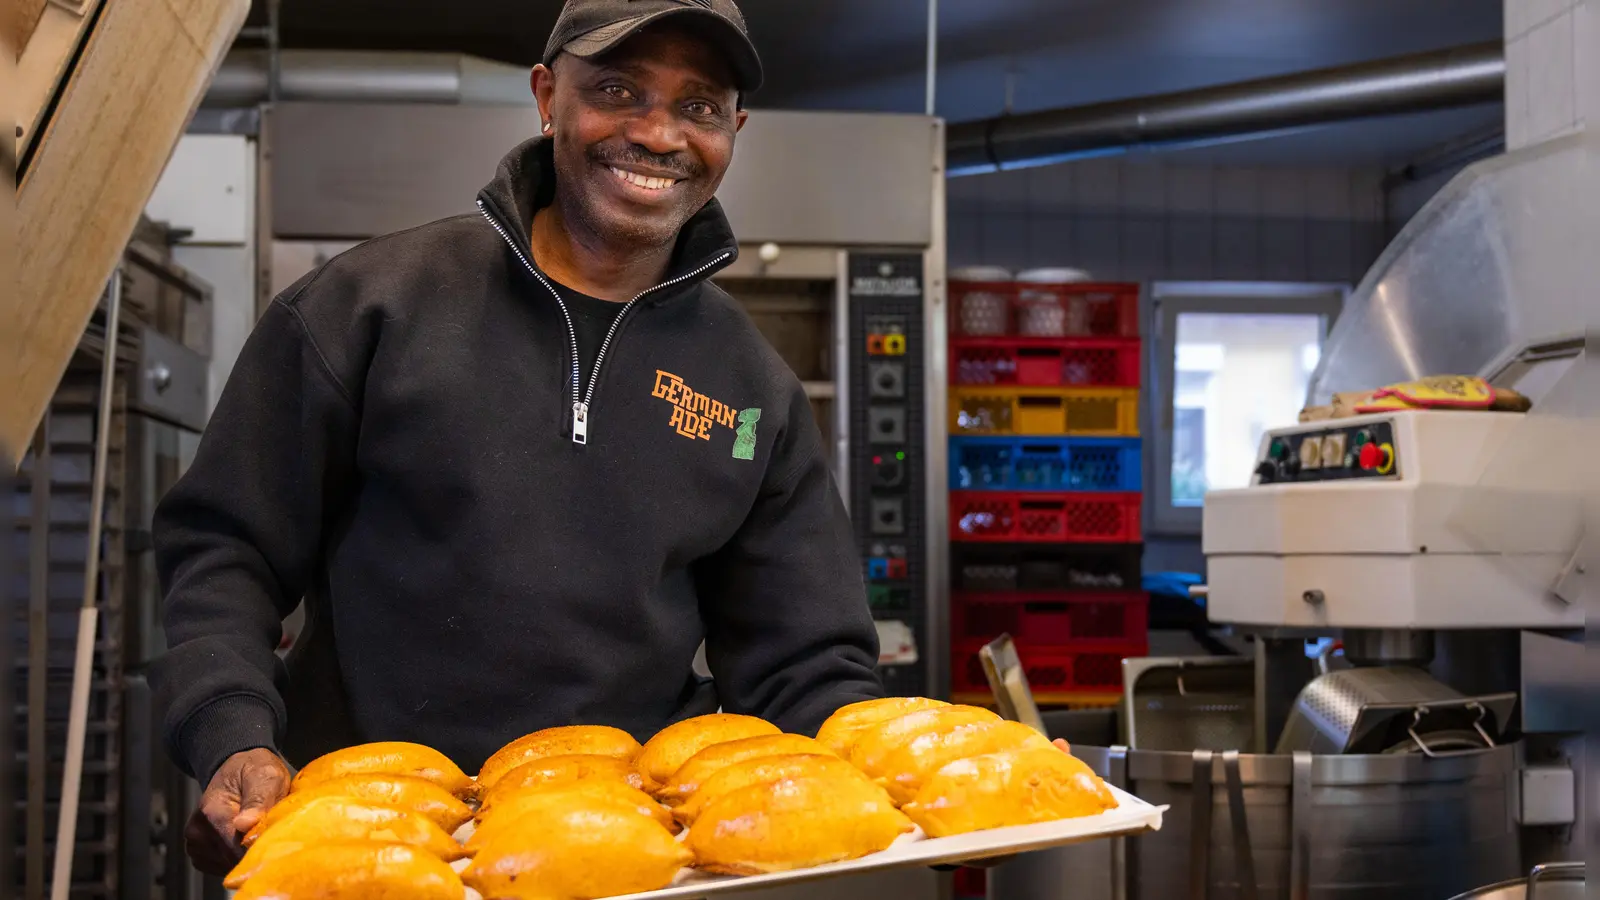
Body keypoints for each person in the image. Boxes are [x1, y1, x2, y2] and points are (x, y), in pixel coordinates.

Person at [153, 0, 883, 874]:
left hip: (618, 855)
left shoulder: (749, 385)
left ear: (735, 129)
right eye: (618, 89)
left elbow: (804, 658)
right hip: (366, 842)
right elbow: (225, 548)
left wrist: (887, 774)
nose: (658, 134)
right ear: (547, 96)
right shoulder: (370, 306)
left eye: (699, 106)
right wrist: (231, 730)